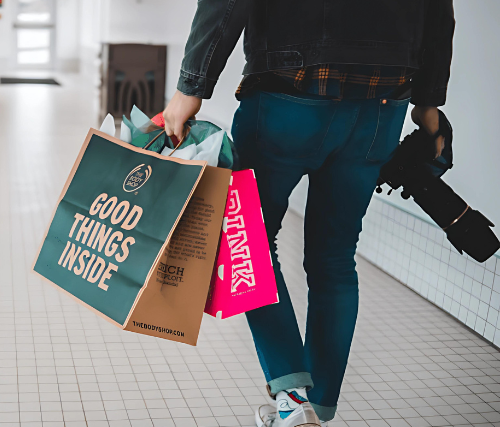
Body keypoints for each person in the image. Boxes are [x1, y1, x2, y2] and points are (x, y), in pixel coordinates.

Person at [163, 1, 455, 426]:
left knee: (251, 243)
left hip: (287, 96)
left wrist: (191, 87)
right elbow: (438, 12)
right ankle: (317, 408)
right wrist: (428, 103)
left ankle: (291, 401)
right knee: (334, 260)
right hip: (381, 106)